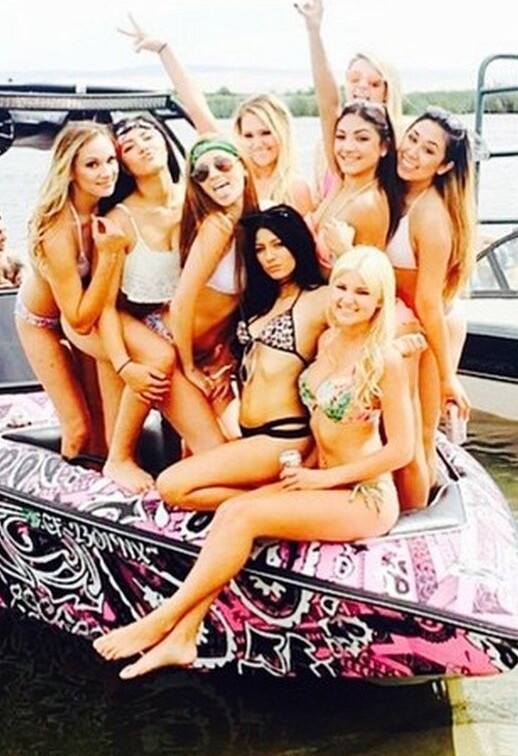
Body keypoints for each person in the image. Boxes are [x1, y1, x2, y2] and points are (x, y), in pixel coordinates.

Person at [93, 246, 414, 679]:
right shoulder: (329, 342)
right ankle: (184, 636)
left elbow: (401, 450)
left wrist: (322, 481)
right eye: (341, 286)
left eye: (362, 292)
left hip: (364, 495)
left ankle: (160, 621)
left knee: (243, 516)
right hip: (319, 477)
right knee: (231, 510)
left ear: (379, 301)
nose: (347, 299)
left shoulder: (385, 360)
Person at [157, 205, 330, 510]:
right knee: (183, 471)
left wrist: (408, 338)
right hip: (249, 433)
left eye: (278, 245)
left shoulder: (319, 298)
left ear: (297, 243)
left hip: (284, 436)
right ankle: (272, 499)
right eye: (260, 249)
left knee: (172, 485)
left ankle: (276, 503)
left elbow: (372, 301)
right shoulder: (262, 302)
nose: (270, 256)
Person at [94, 114, 226, 493]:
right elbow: (106, 305)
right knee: (212, 448)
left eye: (148, 136)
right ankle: (119, 459)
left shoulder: (200, 198)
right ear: (123, 164)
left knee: (223, 447)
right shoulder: (118, 220)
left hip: (196, 339)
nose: (142, 146)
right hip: (143, 333)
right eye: (129, 147)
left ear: (166, 140)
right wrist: (124, 364)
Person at [14, 122, 128, 458]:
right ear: (70, 170)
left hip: (86, 317)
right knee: (78, 427)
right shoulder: (58, 228)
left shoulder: (108, 208)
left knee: (103, 421)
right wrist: (109, 255)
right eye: (92, 164)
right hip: (42, 322)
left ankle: (98, 482)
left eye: (110, 160)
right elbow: (77, 317)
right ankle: (60, 489)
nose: (106, 172)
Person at [117, 17, 313, 211]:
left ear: (282, 131)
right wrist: (164, 50)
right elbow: (196, 107)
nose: (257, 143)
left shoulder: (296, 188)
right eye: (248, 135)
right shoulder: (230, 171)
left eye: (266, 133)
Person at [389, 108, 477, 502]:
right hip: (397, 328)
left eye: (428, 150)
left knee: (418, 439)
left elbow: (428, 301)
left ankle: (419, 518)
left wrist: (446, 375)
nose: (412, 152)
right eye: (412, 139)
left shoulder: (432, 216)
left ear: (443, 166)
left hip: (423, 332)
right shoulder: (397, 194)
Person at [167, 136, 260, 412]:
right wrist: (188, 368)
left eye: (222, 164)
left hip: (211, 353)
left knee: (236, 429)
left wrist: (226, 357)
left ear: (243, 167)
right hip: (173, 346)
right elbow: (180, 303)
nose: (215, 175)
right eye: (202, 173)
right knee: (217, 435)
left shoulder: (256, 223)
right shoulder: (216, 226)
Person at [294, 0, 404, 197]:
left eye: (374, 83)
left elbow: (328, 103)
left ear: (387, 92)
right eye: (354, 79)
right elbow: (327, 104)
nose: (362, 86)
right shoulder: (330, 144)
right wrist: (313, 31)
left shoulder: (398, 145)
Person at [305, 101, 402, 269]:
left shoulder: (367, 205)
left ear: (384, 147)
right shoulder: (341, 183)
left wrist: (344, 252)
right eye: (341, 137)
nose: (348, 147)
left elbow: (365, 278)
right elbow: (327, 105)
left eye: (362, 138)